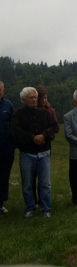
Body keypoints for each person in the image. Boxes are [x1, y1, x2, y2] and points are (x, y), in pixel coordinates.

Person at [11, 87, 57, 218]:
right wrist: (32, 138)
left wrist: (44, 136)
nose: (33, 100)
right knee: (27, 184)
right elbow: (16, 132)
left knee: (45, 183)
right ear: (24, 100)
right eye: (30, 98)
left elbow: (53, 126)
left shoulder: (45, 113)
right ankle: (30, 208)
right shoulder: (18, 115)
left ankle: (46, 209)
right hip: (27, 153)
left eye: (35, 97)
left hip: (44, 153)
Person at [33, 86, 60, 207]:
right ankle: (33, 201)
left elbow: (56, 127)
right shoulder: (31, 111)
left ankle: (42, 201)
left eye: (46, 98)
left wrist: (45, 135)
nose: (44, 100)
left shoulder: (50, 111)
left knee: (43, 176)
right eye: (42, 98)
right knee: (32, 175)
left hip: (46, 144)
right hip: (32, 144)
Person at [0, 81, 15, 215]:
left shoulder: (8, 105)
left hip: (6, 149)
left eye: (0, 90)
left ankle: (1, 203)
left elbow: (13, 125)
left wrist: (12, 144)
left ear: (3, 91)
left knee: (4, 177)